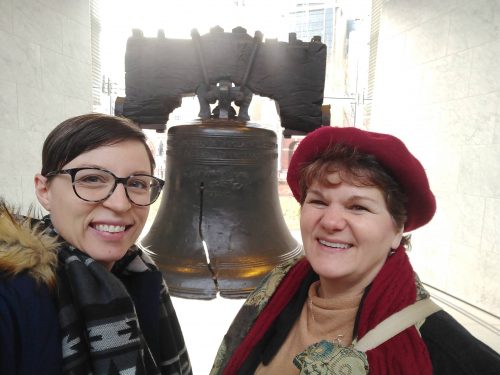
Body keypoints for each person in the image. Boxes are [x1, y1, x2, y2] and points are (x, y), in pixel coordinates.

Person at [210, 126, 500, 375]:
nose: (331, 222)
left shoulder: (443, 350)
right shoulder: (275, 289)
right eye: (319, 202)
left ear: (397, 231)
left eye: (358, 207)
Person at [0, 113, 192, 375]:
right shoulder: (10, 295)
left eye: (137, 183)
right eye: (92, 179)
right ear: (45, 191)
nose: (121, 204)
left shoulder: (143, 277)